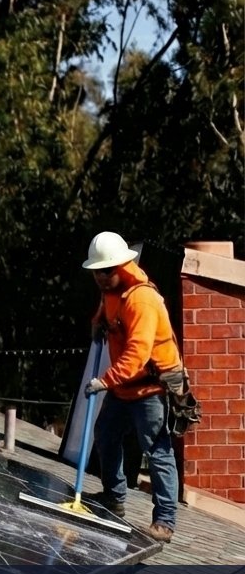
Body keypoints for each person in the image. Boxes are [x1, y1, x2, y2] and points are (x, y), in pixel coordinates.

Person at [81, 231, 182, 543]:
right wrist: (97, 322)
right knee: (107, 434)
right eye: (96, 271)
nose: (98, 277)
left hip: (149, 388)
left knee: (157, 450)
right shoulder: (111, 289)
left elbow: (137, 355)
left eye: (104, 271)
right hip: (125, 387)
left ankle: (164, 521)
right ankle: (114, 497)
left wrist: (104, 381)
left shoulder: (142, 300)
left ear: (119, 267)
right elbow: (106, 311)